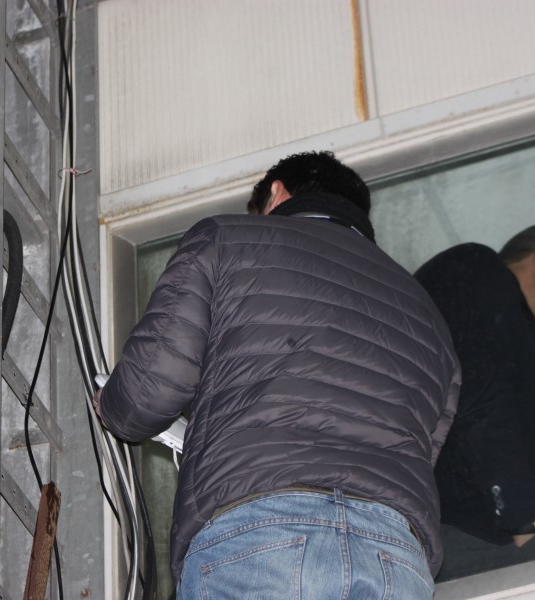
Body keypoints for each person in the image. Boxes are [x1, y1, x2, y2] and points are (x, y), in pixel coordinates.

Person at [96, 151, 460, 599]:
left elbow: (148, 394)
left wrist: (111, 405)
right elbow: (425, 451)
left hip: (261, 532)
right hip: (396, 555)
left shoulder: (227, 238)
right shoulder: (427, 314)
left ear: (277, 192)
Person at [414, 224, 535, 581]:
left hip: (460, 530)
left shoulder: (490, 312)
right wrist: (522, 519)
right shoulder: (479, 268)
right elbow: (483, 395)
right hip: (473, 534)